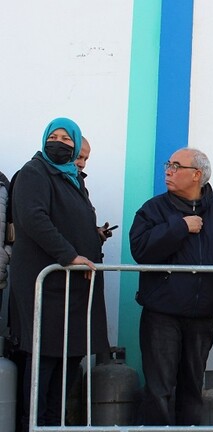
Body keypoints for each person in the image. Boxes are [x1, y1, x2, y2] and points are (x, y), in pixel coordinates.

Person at [129, 147, 213, 425]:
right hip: (162, 313)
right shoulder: (154, 209)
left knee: (192, 389)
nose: (168, 171)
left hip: (203, 314)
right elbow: (140, 249)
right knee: (158, 390)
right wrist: (180, 228)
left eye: (176, 166)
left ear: (197, 175)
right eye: (168, 165)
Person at [10, 118, 109, 429]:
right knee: (45, 360)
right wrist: (69, 255)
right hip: (49, 285)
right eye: (53, 136)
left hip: (73, 288)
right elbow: (34, 218)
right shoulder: (35, 172)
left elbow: (67, 220)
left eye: (66, 138)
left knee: (69, 359)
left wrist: (91, 237)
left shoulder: (72, 179)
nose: (59, 142)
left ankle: (55, 425)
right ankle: (35, 425)